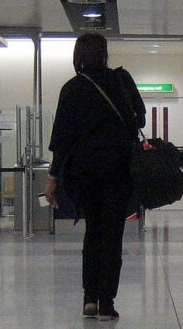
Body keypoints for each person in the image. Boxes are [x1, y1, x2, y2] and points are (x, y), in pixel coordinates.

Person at [43, 33, 146, 321]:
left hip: (84, 174)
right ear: (105, 54)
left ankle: (89, 299)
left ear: (77, 56)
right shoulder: (121, 82)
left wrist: (53, 179)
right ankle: (107, 303)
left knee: (93, 232)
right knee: (112, 235)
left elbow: (61, 141)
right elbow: (139, 119)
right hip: (118, 171)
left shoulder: (71, 89)